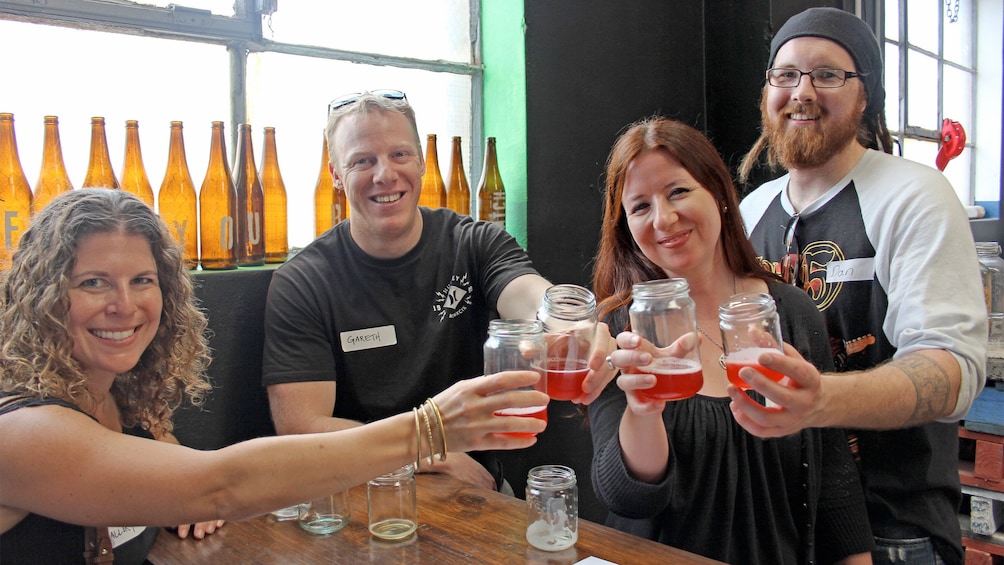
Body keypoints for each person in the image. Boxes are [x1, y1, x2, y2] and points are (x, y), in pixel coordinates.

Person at [0, 188, 549, 564]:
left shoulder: (123, 402)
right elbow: (219, 485)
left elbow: (187, 479)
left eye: (142, 280)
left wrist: (176, 498)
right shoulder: (22, 430)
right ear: (43, 297)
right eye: (93, 283)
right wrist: (431, 429)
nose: (124, 305)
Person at [261, 90, 615, 492]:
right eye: (363, 161)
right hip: (360, 489)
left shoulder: (475, 242)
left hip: (475, 489)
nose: (385, 175)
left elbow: (528, 296)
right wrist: (430, 453)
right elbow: (302, 427)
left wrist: (570, 324)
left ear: (422, 161)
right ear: (336, 176)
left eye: (400, 155)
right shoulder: (303, 280)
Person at [735, 7, 987, 565]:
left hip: (893, 530)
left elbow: (951, 370)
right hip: (778, 528)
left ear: (865, 95)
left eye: (827, 75)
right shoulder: (751, 211)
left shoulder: (913, 195)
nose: (802, 91)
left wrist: (820, 400)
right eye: (786, 74)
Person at [588, 116, 873, 564]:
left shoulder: (793, 314)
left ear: (720, 194)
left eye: (678, 191)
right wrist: (644, 411)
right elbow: (626, 499)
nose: (664, 218)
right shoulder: (618, 328)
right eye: (640, 206)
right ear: (626, 226)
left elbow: (834, 481)